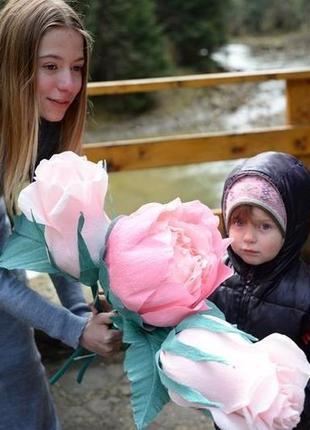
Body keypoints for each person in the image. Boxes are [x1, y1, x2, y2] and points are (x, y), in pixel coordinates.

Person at [0, 1, 122, 429]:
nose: (68, 84)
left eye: (77, 67)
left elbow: (50, 230)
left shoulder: (43, 133)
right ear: (12, 67)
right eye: (50, 66)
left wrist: (79, 306)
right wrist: (71, 330)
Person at [210, 151, 310, 429]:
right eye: (238, 222)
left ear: (292, 229)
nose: (248, 238)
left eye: (265, 226)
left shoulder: (304, 295)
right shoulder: (213, 273)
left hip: (285, 417)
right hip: (228, 410)